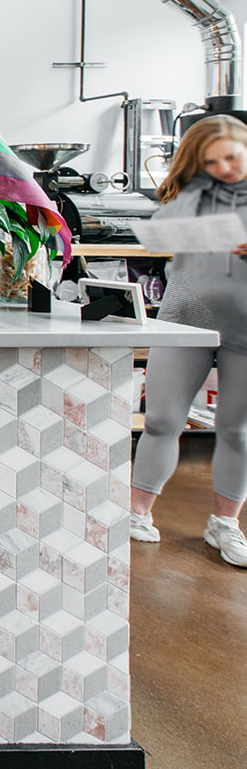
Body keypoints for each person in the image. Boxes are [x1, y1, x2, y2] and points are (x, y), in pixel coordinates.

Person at [130, 114, 247, 566]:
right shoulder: (184, 196)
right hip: (184, 317)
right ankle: (137, 514)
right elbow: (159, 233)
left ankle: (225, 525)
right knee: (161, 420)